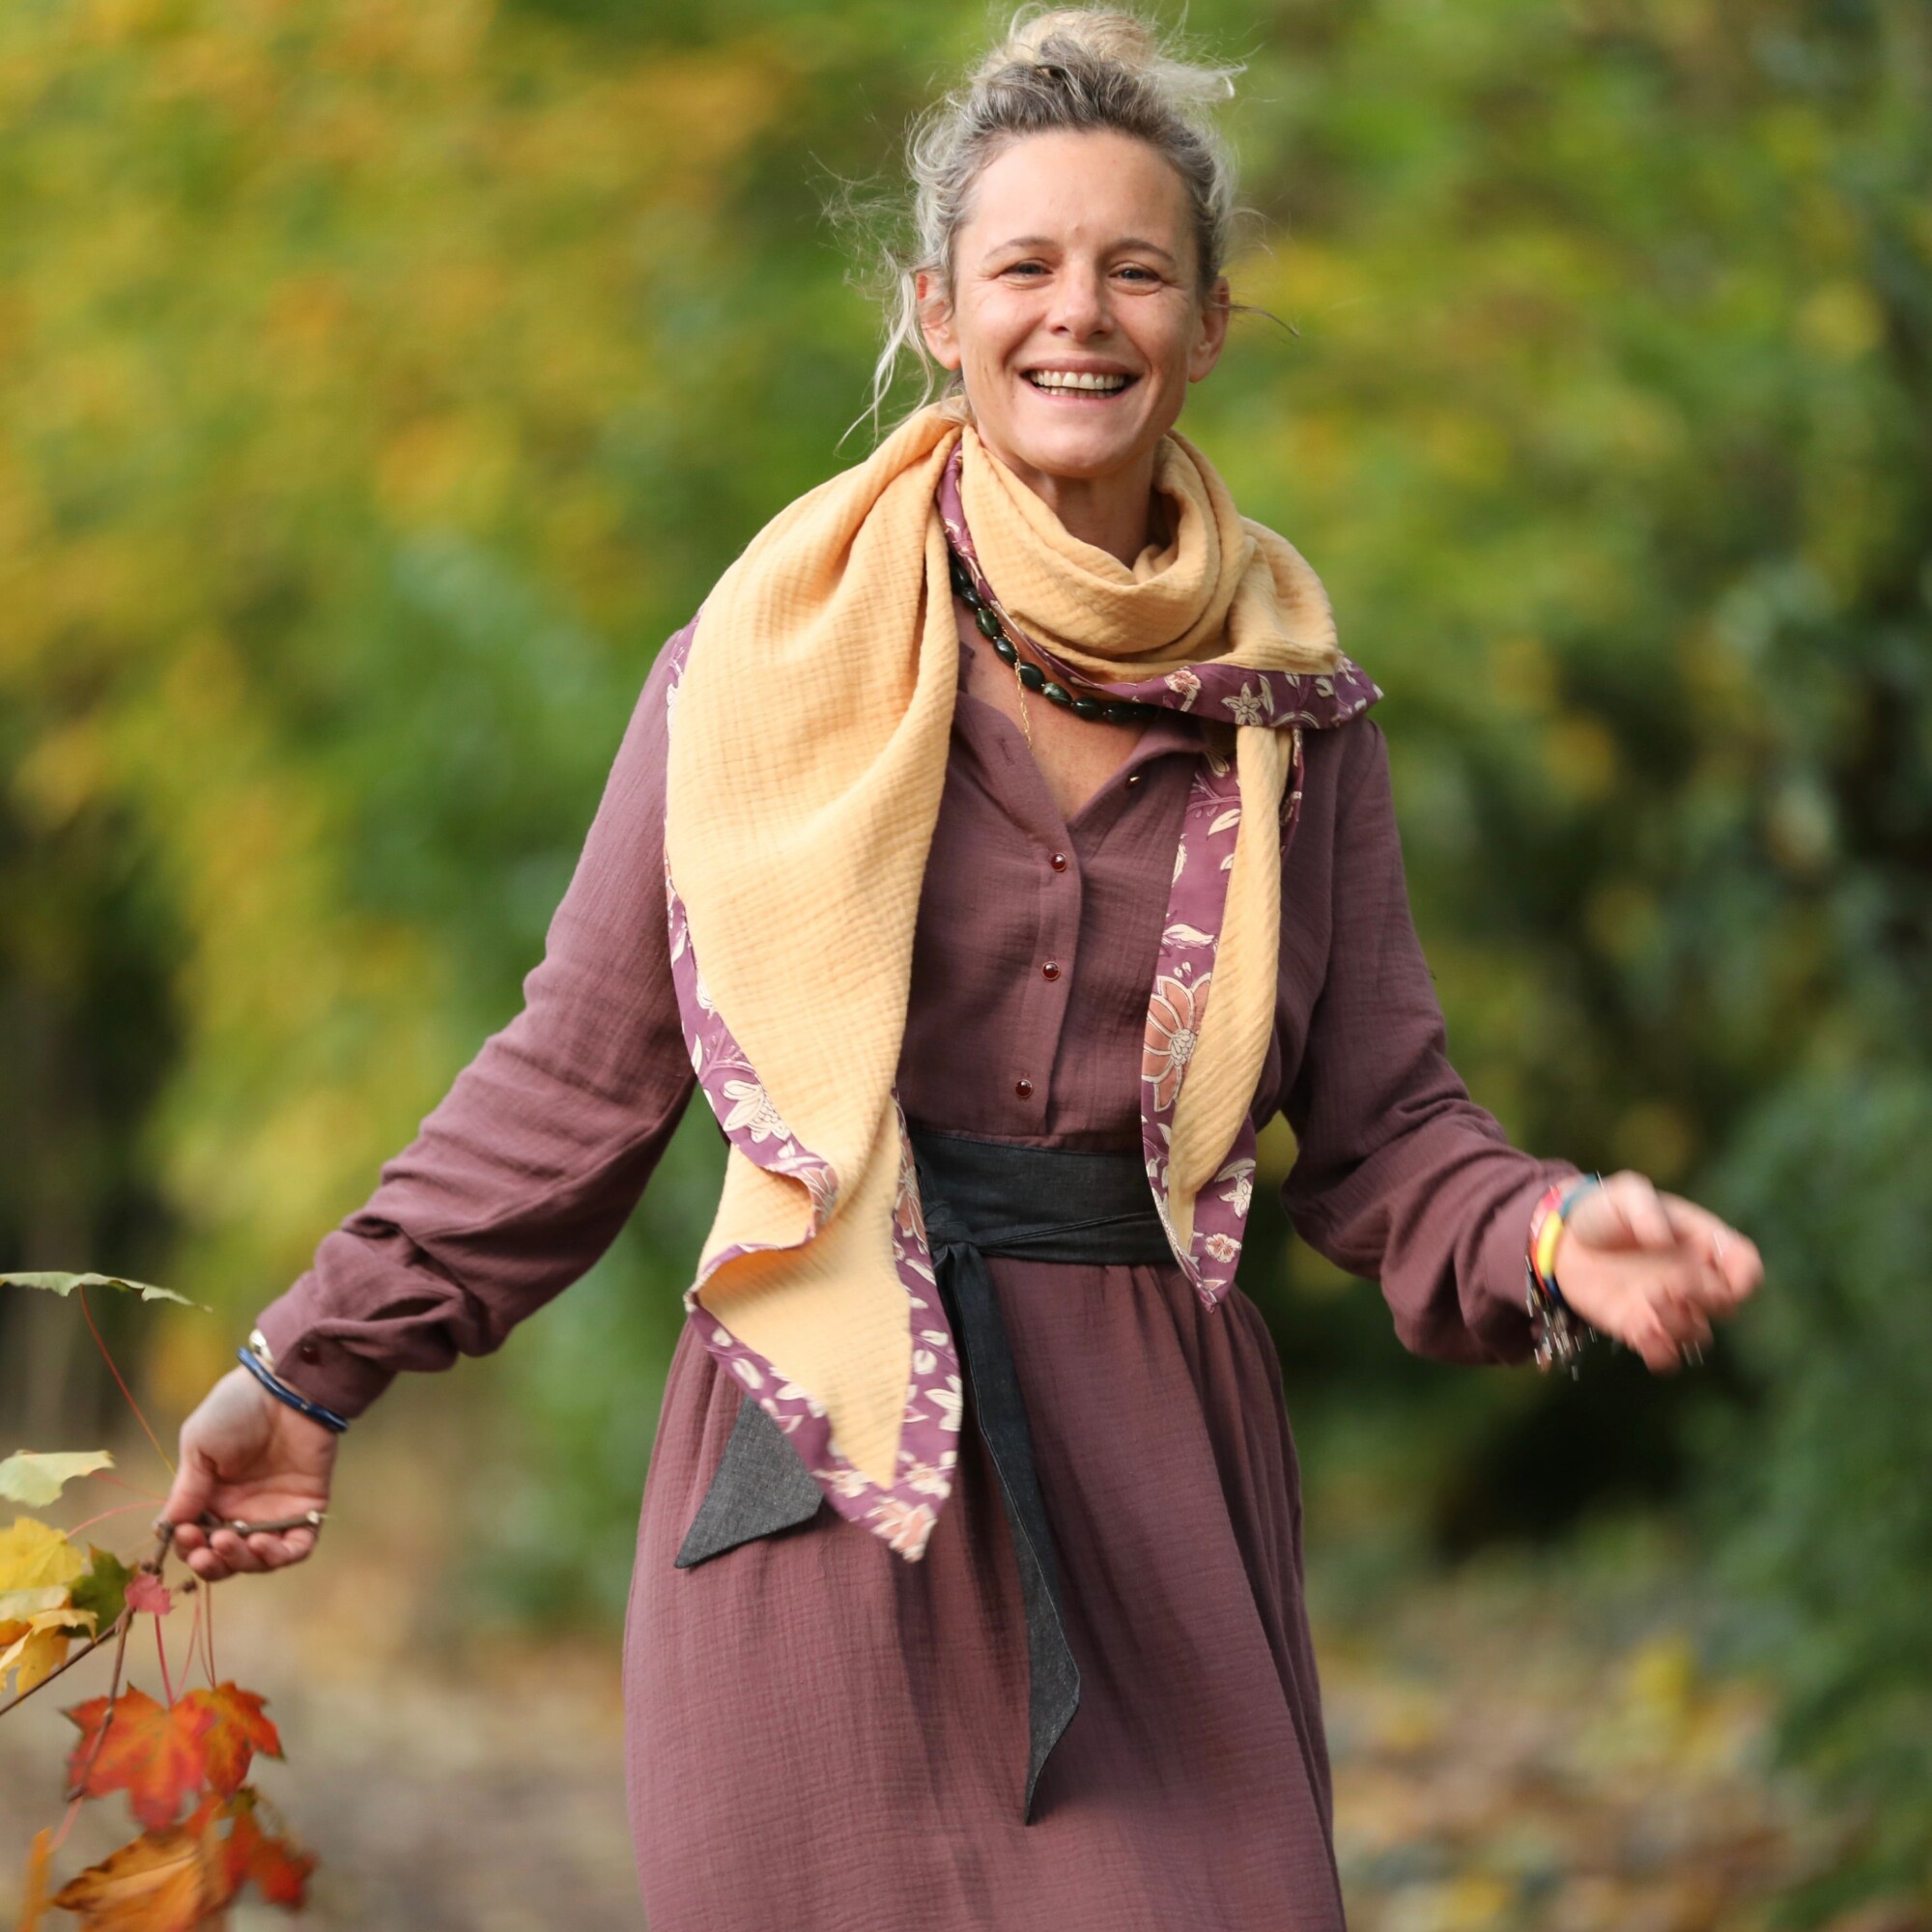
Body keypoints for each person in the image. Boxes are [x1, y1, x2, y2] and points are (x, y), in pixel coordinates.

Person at [161, 10, 1764, 1927]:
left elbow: (1388, 1127)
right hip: (818, 1475)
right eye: (1024, 267)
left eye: (1135, 270)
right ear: (937, 309)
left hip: (1157, 1490)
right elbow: (575, 1082)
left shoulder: (1296, 720)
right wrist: (308, 1365)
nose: (1077, 313)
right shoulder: (757, 670)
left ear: (1209, 323)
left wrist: (1550, 1229)